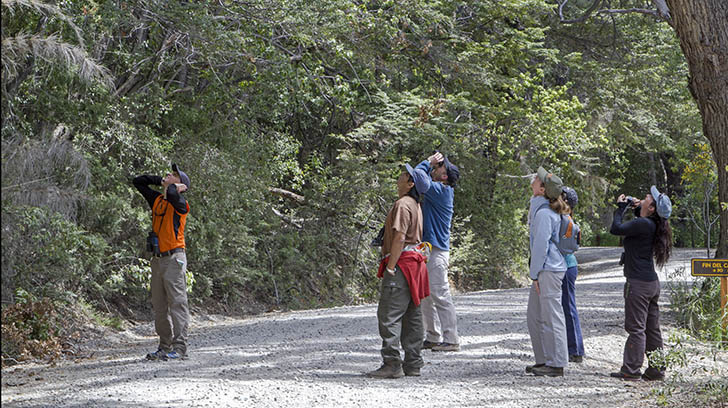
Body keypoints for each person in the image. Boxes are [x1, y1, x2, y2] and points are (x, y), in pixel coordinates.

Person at [367, 164, 431, 379]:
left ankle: (392, 363)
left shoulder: (403, 204)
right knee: (412, 314)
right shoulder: (415, 205)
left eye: (405, 175)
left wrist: (391, 266)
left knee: (389, 314)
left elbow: (400, 237)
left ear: (410, 183)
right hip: (415, 266)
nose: (400, 177)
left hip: (402, 264)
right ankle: (413, 363)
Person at [609, 186, 672, 381]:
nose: (645, 196)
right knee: (652, 329)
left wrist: (620, 207)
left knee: (636, 328)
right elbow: (639, 220)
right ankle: (656, 369)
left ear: (652, 208)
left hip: (638, 284)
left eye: (648, 198)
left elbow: (616, 229)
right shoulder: (650, 224)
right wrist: (636, 205)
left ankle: (631, 369)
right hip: (651, 283)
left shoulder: (643, 225)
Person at [133, 163, 191, 361]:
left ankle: (180, 348)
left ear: (181, 185)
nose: (168, 174)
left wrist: (175, 187)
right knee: (159, 306)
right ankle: (164, 346)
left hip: (174, 259)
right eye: (169, 172)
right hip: (157, 260)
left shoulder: (181, 204)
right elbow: (138, 182)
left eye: (174, 175)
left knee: (177, 303)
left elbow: (174, 195)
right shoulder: (158, 200)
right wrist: (161, 181)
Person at [415, 152, 461, 352]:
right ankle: (432, 335)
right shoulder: (440, 189)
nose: (437, 166)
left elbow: (418, 178)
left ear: (445, 176)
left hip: (437, 251)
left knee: (440, 294)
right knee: (425, 295)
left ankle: (451, 339)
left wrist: (427, 162)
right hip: (428, 248)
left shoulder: (442, 190)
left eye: (441, 166)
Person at [526, 166, 569, 377]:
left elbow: (540, 247)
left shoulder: (544, 214)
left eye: (537, 179)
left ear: (542, 190)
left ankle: (557, 363)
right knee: (534, 316)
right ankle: (543, 359)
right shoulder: (540, 209)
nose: (534, 179)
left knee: (552, 317)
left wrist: (534, 274)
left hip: (549, 271)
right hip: (544, 270)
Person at [560, 187, 585, 363]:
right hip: (565, 267)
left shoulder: (566, 221)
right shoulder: (563, 219)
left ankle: (575, 349)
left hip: (567, 267)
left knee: (568, 307)